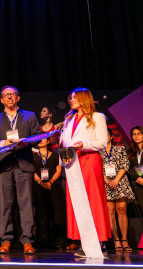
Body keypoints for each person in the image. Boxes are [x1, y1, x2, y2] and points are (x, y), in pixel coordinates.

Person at [0, 85, 40, 254]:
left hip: (24, 162)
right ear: (2, 99)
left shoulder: (29, 116)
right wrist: (3, 143)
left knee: (26, 203)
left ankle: (27, 241)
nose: (9, 97)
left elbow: (37, 136)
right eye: (5, 95)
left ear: (18, 98)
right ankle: (6, 240)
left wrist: (26, 142)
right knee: (5, 204)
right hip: (4, 164)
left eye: (12, 94)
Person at [59, 87, 111, 258]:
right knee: (77, 201)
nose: (71, 99)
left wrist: (84, 144)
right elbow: (63, 143)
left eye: (75, 97)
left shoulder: (97, 117)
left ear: (84, 98)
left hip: (89, 161)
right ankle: (83, 241)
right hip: (72, 163)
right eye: (70, 97)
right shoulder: (68, 120)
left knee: (92, 199)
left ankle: (99, 242)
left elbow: (102, 142)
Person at [99, 128, 134, 252]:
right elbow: (97, 168)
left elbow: (125, 165)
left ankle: (125, 240)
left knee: (122, 210)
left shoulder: (120, 149)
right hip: (106, 184)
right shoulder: (98, 152)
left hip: (120, 182)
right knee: (110, 212)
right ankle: (116, 240)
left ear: (111, 137)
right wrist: (107, 181)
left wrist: (116, 180)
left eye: (106, 134)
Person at [32, 138, 66, 249]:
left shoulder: (56, 156)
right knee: (41, 214)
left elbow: (59, 171)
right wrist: (41, 182)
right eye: (39, 139)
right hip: (38, 187)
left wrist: (50, 182)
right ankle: (43, 241)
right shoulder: (33, 156)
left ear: (48, 142)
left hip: (54, 187)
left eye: (43, 139)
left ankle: (59, 241)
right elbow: (32, 172)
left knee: (57, 213)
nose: (41, 141)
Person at [128, 126, 143, 223]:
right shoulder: (129, 152)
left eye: (139, 134)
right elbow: (128, 167)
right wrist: (138, 177)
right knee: (141, 208)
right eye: (134, 134)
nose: (136, 136)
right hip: (136, 183)